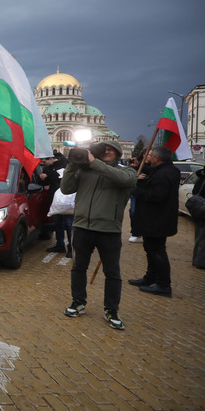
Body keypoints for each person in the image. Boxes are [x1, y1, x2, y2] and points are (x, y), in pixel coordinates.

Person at [60, 140, 137, 330]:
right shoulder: (85, 171)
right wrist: (71, 166)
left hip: (108, 230)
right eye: (104, 149)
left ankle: (111, 310)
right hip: (82, 227)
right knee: (79, 267)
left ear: (119, 153)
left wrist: (94, 162)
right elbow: (66, 189)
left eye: (111, 149)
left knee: (112, 272)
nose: (107, 151)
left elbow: (121, 179)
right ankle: (78, 302)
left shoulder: (127, 172)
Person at [127, 146, 181, 297]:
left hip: (157, 220)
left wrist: (135, 190)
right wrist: (140, 166)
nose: (149, 158)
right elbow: (154, 173)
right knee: (150, 249)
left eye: (151, 156)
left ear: (157, 158)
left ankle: (163, 284)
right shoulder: (168, 170)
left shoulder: (164, 173)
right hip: (156, 220)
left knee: (157, 252)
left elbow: (156, 195)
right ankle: (150, 278)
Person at [40, 156, 72, 257]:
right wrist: (43, 178)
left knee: (69, 224)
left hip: (67, 201)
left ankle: (71, 248)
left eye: (44, 161)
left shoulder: (66, 164)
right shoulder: (47, 168)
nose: (43, 163)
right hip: (55, 201)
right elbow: (47, 183)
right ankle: (60, 245)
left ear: (51, 159)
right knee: (58, 224)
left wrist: (49, 174)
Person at [189, 168, 205, 269]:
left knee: (199, 237)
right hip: (202, 210)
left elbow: (195, 191)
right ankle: (200, 262)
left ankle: (197, 260)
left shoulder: (201, 177)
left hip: (198, 210)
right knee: (202, 237)